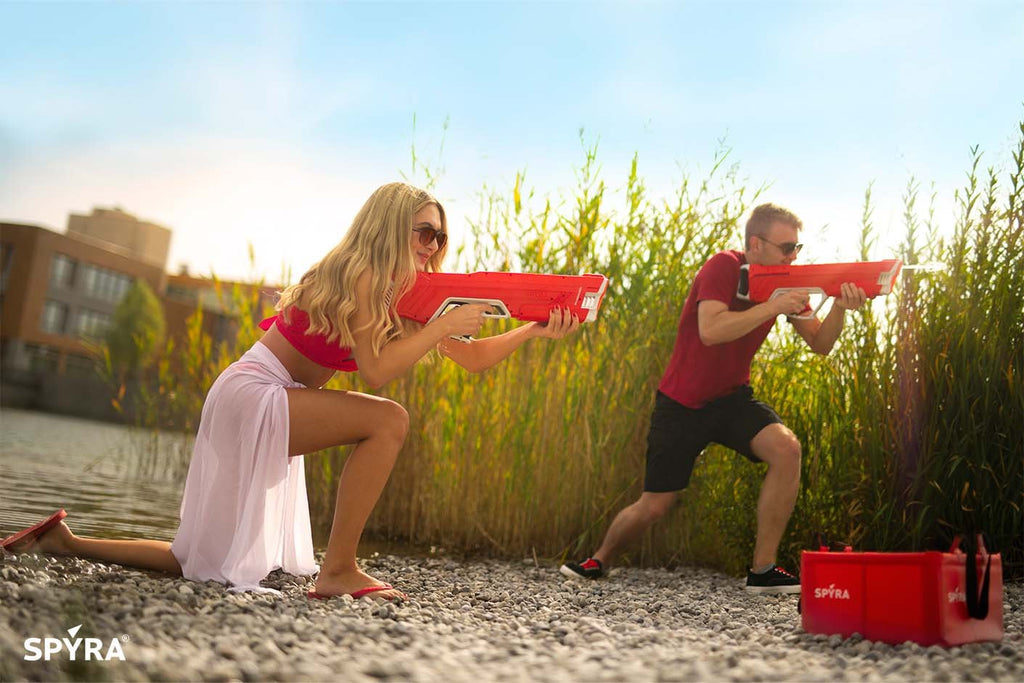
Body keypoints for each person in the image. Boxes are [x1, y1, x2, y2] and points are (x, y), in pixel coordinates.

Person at [1, 181, 580, 600]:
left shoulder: (402, 296)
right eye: (424, 232)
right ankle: (339, 570)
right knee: (389, 419)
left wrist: (533, 329)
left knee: (196, 559)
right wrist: (439, 327)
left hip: (259, 401)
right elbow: (376, 374)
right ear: (389, 225)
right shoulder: (361, 274)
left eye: (440, 236)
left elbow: (472, 358)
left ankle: (64, 543)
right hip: (254, 394)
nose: (432, 245)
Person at [560, 203, 867, 593]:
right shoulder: (724, 266)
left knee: (787, 449)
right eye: (786, 248)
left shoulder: (785, 282)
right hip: (681, 402)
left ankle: (763, 570)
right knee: (654, 505)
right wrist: (773, 307)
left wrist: (839, 305)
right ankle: (599, 559)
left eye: (797, 248)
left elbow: (821, 344)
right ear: (755, 244)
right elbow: (711, 330)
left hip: (732, 399)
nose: (793, 256)